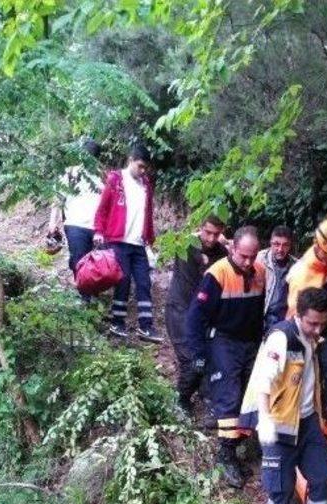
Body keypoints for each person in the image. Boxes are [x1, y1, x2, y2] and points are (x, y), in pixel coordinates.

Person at [240, 287, 327, 504]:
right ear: (298, 315)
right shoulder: (282, 338)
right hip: (280, 422)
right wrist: (265, 419)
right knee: (281, 487)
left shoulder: (312, 339)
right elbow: (263, 383)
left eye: (322, 323)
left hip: (307, 422)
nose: (317, 329)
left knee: (322, 477)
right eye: (312, 323)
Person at [187, 225, 265, 488]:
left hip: (251, 342)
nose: (248, 261)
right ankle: (226, 454)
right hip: (224, 340)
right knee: (229, 396)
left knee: (250, 396)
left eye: (253, 256)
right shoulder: (217, 274)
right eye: (243, 255)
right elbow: (194, 318)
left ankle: (240, 441)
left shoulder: (260, 272)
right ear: (232, 248)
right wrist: (199, 354)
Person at [93, 143, 162, 342]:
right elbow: (103, 208)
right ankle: (117, 322)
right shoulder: (115, 179)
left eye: (145, 168)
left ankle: (146, 327)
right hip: (118, 240)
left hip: (139, 243)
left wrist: (150, 239)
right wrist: (98, 231)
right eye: (140, 166)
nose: (143, 171)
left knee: (143, 282)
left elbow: (147, 214)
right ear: (130, 160)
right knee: (122, 281)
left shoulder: (146, 185)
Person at [165, 215, 228, 413]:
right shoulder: (187, 246)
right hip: (180, 310)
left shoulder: (221, 251)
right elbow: (199, 285)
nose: (210, 239)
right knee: (193, 361)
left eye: (216, 234)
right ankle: (181, 400)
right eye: (207, 232)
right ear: (200, 228)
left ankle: (201, 394)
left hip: (203, 315)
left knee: (204, 361)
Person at [285, 218, 327, 403]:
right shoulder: (303, 273)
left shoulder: (326, 263)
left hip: (320, 329)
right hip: (302, 330)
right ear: (317, 245)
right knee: (300, 376)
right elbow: (293, 311)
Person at [47, 139, 103, 295]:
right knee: (79, 260)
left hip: (97, 227)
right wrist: (53, 222)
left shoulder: (103, 176)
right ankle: (84, 297)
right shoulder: (69, 173)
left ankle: (92, 293)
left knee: (96, 262)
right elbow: (58, 200)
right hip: (75, 224)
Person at [258, 225, 297, 332]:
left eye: (285, 245)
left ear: (290, 246)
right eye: (276, 244)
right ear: (270, 243)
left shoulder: (297, 266)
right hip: (260, 315)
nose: (280, 249)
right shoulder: (259, 259)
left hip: (283, 318)